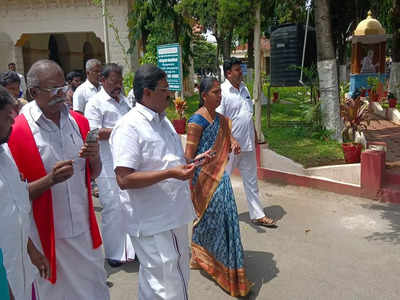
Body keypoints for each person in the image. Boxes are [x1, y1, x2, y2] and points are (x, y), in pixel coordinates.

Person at [7, 59, 109, 299]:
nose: (62, 94)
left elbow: (92, 175)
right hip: (46, 237)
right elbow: (12, 198)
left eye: (63, 87)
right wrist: (50, 180)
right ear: (33, 92)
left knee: (95, 290)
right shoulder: (17, 132)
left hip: (84, 231)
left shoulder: (79, 122)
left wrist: (94, 159)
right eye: (53, 90)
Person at [110, 64, 211, 300]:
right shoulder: (129, 127)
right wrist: (170, 174)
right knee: (170, 286)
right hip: (154, 221)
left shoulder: (163, 121)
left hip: (171, 216)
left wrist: (193, 162)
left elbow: (171, 161)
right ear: (146, 92)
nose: (170, 94)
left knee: (157, 283)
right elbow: (124, 178)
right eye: (164, 89)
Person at [185, 77, 252, 297]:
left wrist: (232, 141)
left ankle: (216, 261)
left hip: (220, 176)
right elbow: (188, 157)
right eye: (215, 92)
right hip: (203, 178)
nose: (219, 95)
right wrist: (200, 159)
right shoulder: (196, 121)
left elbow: (227, 133)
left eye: (219, 92)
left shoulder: (222, 119)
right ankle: (205, 257)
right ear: (204, 96)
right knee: (212, 218)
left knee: (226, 216)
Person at [0, 85, 50, 300]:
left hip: (21, 270)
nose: (13, 122)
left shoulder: (6, 151)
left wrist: (32, 250)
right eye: (7, 116)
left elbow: (16, 211)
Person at [85, 63, 135, 267]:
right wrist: (120, 130)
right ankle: (114, 253)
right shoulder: (95, 103)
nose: (118, 86)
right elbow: (93, 133)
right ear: (102, 81)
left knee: (128, 206)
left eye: (120, 82)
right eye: (113, 82)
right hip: (106, 165)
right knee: (113, 209)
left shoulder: (124, 101)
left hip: (126, 163)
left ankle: (130, 250)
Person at [216, 57, 276, 227]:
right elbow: (220, 119)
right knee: (223, 182)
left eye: (240, 69)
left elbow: (247, 114)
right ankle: (219, 216)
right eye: (237, 69)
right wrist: (232, 139)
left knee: (251, 180)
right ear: (228, 73)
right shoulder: (222, 92)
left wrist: (255, 133)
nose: (240, 72)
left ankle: (257, 215)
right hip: (230, 147)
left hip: (247, 144)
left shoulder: (244, 89)